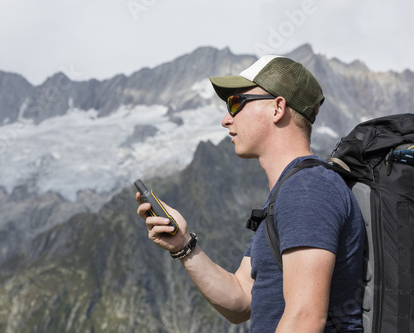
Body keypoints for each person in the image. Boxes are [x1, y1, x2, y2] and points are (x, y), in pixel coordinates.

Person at [136, 55, 364, 332]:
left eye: (235, 104)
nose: (225, 120)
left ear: (277, 108)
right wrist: (184, 245)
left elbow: (304, 319)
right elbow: (243, 299)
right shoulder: (290, 190)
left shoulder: (307, 189)